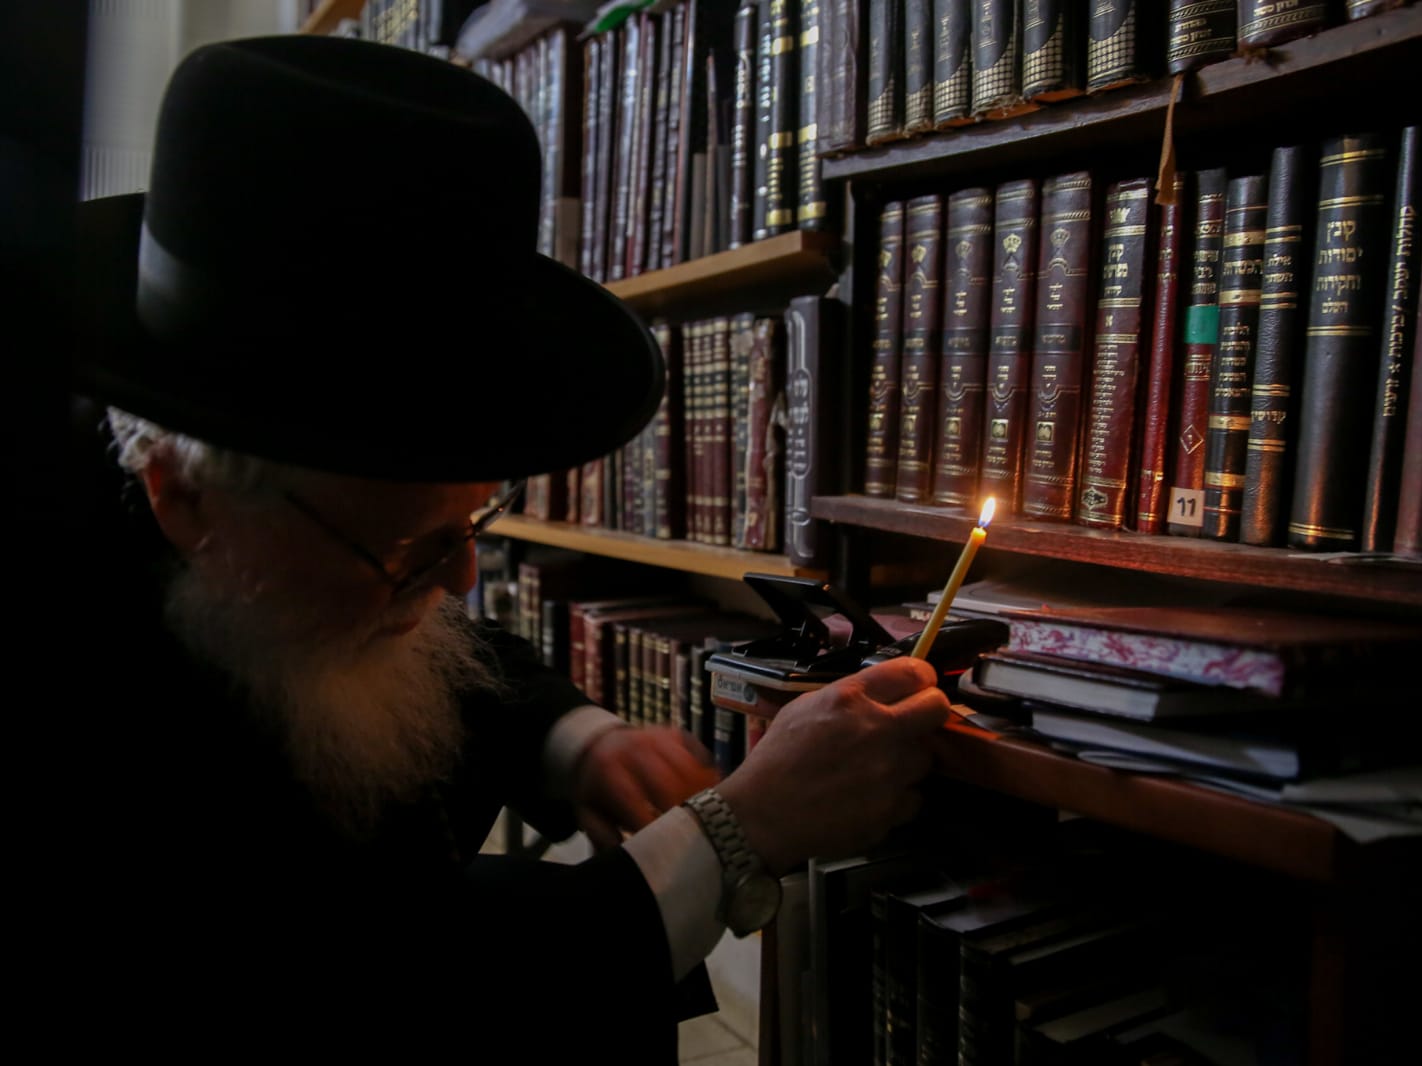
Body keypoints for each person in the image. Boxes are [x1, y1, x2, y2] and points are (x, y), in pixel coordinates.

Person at [60, 32, 950, 1053]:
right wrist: (741, 831)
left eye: (471, 523)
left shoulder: (271, 547)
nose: (461, 577)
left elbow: (435, 661)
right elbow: (382, 980)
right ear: (184, 496)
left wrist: (578, 738)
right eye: (411, 550)